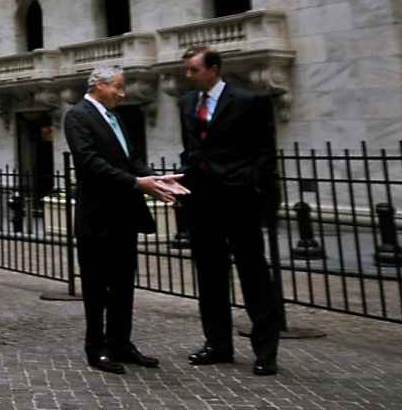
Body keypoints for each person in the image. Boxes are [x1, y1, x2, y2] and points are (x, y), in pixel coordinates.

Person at [63, 66, 187, 375]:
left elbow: (130, 159)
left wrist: (155, 180)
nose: (122, 92)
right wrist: (137, 183)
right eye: (117, 86)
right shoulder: (77, 116)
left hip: (123, 216)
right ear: (99, 85)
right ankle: (97, 348)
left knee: (122, 284)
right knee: (96, 286)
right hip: (96, 217)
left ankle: (121, 343)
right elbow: (90, 163)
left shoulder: (115, 117)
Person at [178, 47, 282, 376]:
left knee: (254, 275)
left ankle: (266, 351)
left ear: (214, 69)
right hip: (202, 203)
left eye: (194, 70)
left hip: (239, 200)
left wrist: (250, 184)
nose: (189, 76)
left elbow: (265, 153)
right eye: (188, 70)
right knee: (210, 276)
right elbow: (192, 146)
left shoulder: (249, 101)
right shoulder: (185, 103)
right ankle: (218, 344)